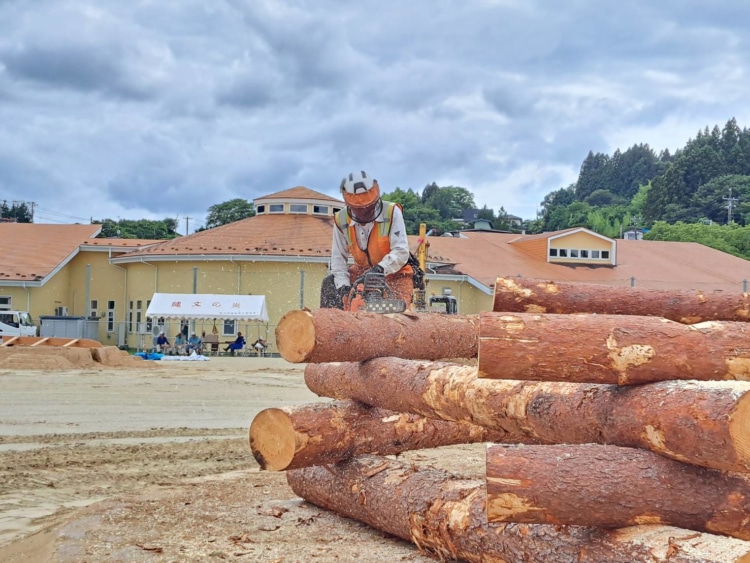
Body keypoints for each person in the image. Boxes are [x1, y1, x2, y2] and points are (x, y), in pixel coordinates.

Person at [320, 170, 415, 309]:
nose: (363, 212)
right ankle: (330, 324)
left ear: (375, 200)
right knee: (330, 284)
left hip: (395, 274)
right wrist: (343, 288)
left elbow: (401, 251)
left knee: (396, 315)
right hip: (361, 272)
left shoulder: (391, 212)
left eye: (366, 208)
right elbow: (338, 259)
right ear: (349, 205)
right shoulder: (341, 220)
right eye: (358, 209)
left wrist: (379, 270)